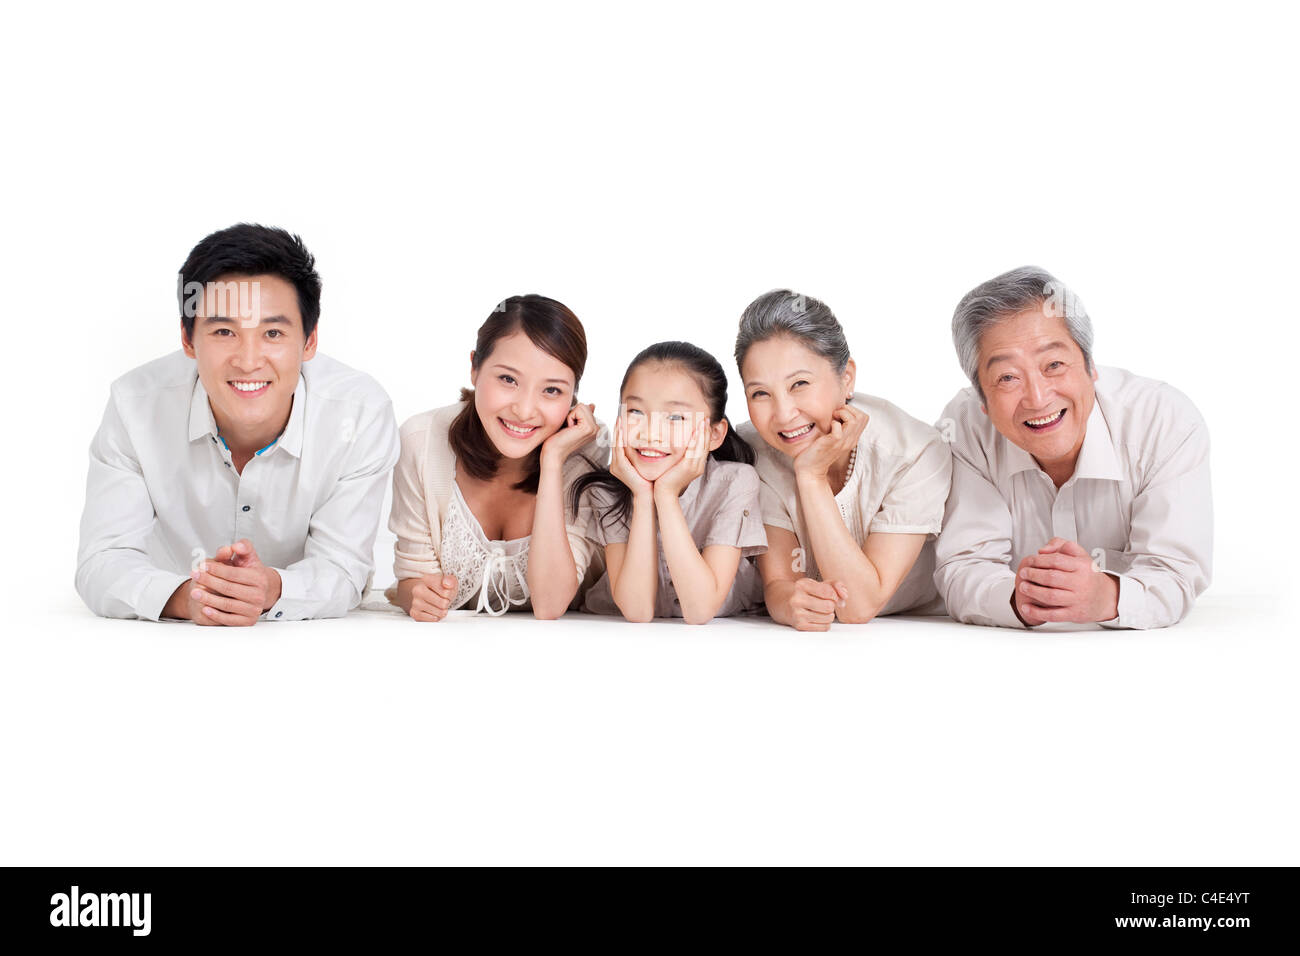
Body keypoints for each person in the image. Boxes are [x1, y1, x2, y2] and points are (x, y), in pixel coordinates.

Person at [76, 223, 400, 623]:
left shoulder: (360, 413)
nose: (248, 361)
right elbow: (102, 561)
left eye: (273, 332)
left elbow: (343, 566)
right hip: (165, 644)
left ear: (310, 340)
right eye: (225, 331)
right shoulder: (135, 406)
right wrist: (188, 597)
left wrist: (269, 588)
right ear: (188, 339)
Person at [935, 266, 1212, 629]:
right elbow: (962, 566)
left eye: (1053, 364)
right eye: (1007, 378)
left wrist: (1106, 597)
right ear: (982, 399)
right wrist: (1018, 600)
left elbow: (1176, 572)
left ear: (1090, 366)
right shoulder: (966, 427)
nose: (1037, 398)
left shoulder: (1164, 421)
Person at [735, 290, 952, 631]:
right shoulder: (751, 450)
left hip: (918, 635)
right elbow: (779, 583)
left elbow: (857, 605)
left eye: (800, 384)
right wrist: (789, 604)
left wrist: (811, 477)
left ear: (846, 378)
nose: (783, 414)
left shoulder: (914, 453)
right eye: (760, 393)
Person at [386, 295, 602, 620]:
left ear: (573, 395)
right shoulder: (422, 441)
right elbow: (411, 580)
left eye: (552, 390)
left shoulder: (586, 452)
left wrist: (554, 459)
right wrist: (417, 596)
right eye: (508, 380)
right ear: (474, 368)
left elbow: (550, 604)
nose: (525, 410)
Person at [572, 341, 766, 624]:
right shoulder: (607, 492)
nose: (651, 434)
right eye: (636, 412)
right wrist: (641, 496)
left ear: (714, 433)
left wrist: (666, 496)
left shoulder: (735, 482)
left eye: (675, 417)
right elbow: (637, 611)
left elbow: (699, 610)